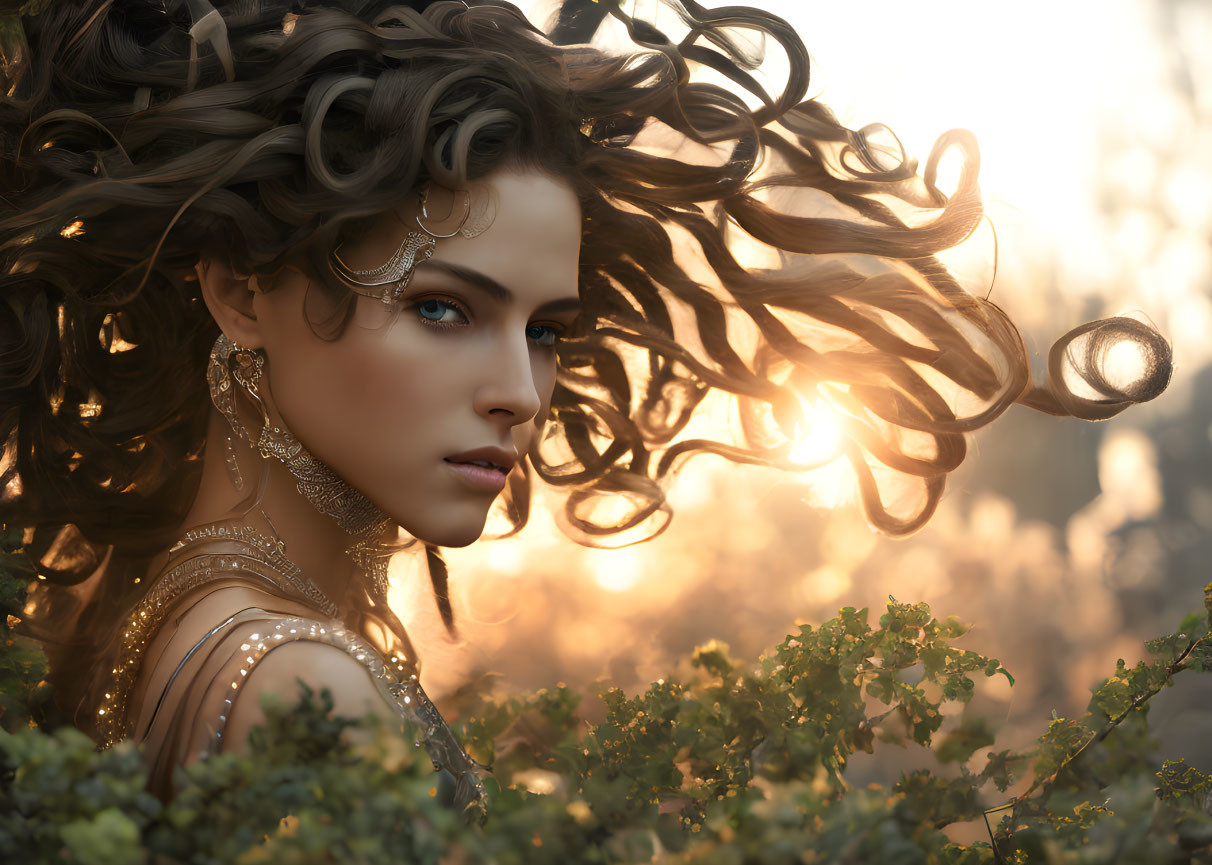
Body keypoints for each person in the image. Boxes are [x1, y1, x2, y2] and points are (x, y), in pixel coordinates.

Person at [0, 0, 1170, 816]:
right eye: (448, 310)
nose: (520, 392)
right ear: (240, 292)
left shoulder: (150, 604)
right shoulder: (304, 680)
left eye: (546, 330)